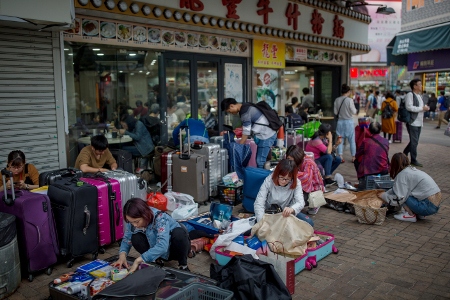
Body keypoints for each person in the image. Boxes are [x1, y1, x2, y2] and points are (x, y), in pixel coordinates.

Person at [112, 198, 191, 273]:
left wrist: (139, 259)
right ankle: (157, 261)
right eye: (131, 222)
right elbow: (127, 239)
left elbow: (163, 246)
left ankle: (183, 265)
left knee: (179, 233)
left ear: (144, 215)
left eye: (137, 221)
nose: (134, 225)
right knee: (136, 238)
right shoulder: (133, 222)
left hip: (173, 249)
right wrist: (122, 255)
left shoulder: (160, 218)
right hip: (157, 252)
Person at [379, 153, 441, 223]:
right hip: (434, 205)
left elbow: (400, 198)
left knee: (402, 196)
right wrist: (387, 193)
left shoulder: (402, 175)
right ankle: (419, 213)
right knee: (404, 191)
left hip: (427, 207)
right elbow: (396, 189)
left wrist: (383, 196)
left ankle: (410, 214)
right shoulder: (411, 170)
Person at [254, 159, 314, 226]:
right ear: (277, 174)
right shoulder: (269, 180)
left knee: (309, 222)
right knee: (254, 225)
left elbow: (300, 202)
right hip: (269, 213)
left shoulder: (296, 182)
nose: (284, 181)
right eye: (281, 177)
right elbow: (259, 203)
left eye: (288, 179)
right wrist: (261, 221)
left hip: (286, 214)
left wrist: (292, 209)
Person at [221, 98, 277, 168]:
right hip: (266, 134)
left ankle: (263, 178)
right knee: (264, 160)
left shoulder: (244, 112)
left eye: (230, 111)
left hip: (266, 136)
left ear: (232, 106)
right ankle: (267, 175)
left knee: (260, 161)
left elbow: (246, 132)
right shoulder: (246, 106)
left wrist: (239, 147)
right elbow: (246, 127)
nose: (231, 113)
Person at [286, 145, 325, 215]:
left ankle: (313, 203)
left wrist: (290, 174)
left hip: (313, 189)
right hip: (305, 186)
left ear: (297, 157)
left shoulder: (308, 162)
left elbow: (306, 178)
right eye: (288, 159)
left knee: (294, 201)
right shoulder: (299, 161)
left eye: (291, 159)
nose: (289, 161)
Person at [403, 79, 429, 167]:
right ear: (415, 86)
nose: (421, 86)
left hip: (419, 122)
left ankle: (404, 154)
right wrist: (422, 108)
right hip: (412, 122)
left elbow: (420, 107)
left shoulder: (419, 96)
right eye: (420, 84)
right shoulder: (410, 95)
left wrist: (425, 108)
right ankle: (413, 159)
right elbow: (409, 107)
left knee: (415, 142)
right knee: (414, 142)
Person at [334, 83, 357, 163]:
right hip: (349, 122)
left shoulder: (337, 100)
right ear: (348, 91)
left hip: (340, 122)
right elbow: (354, 111)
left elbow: (335, 112)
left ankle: (340, 156)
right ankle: (353, 157)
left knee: (340, 139)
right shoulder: (350, 100)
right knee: (352, 140)